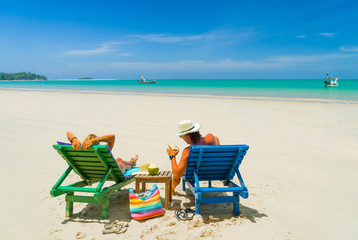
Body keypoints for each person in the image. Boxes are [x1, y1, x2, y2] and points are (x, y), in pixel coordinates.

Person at [166, 119, 220, 195]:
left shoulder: (187, 151)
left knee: (176, 176)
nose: (182, 139)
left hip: (198, 174)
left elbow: (177, 174)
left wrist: (172, 156)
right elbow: (217, 144)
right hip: (216, 171)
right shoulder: (212, 138)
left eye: (182, 136)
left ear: (187, 137)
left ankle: (171, 190)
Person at [66, 131, 138, 172]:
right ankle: (131, 163)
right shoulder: (100, 152)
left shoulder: (78, 149)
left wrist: (74, 140)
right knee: (120, 161)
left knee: (118, 160)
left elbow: (68, 133)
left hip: (86, 172)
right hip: (105, 173)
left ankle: (131, 162)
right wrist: (94, 140)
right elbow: (112, 136)